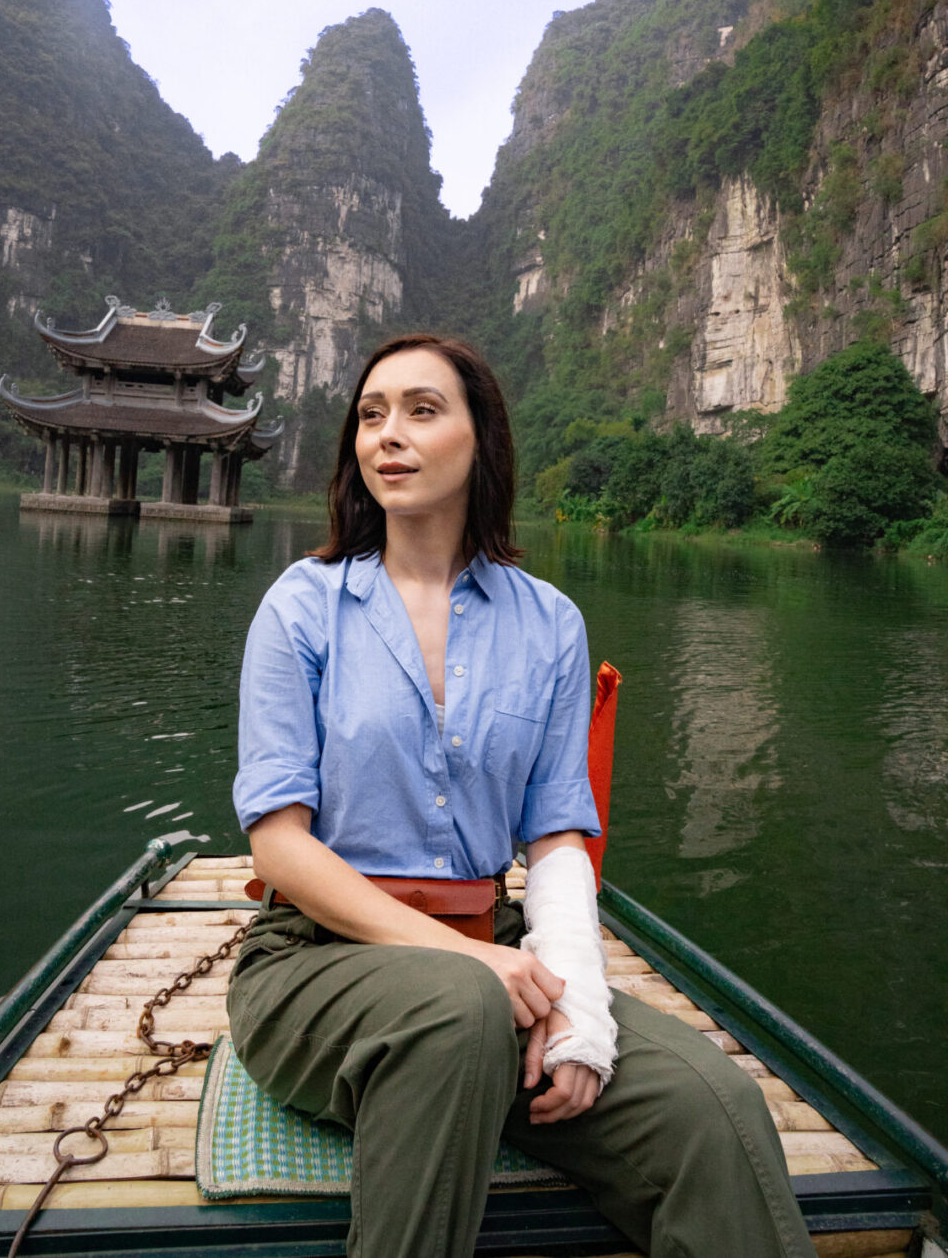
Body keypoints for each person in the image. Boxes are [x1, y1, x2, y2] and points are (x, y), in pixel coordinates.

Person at [229, 332, 815, 1258]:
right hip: (314, 962)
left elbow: (555, 843)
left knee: (715, 1108)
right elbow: (279, 848)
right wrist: (466, 968)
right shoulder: (302, 607)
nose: (389, 434)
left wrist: (578, 1011)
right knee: (458, 1014)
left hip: (491, 955)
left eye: (422, 410)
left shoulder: (548, 624)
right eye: (371, 416)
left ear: (481, 441)